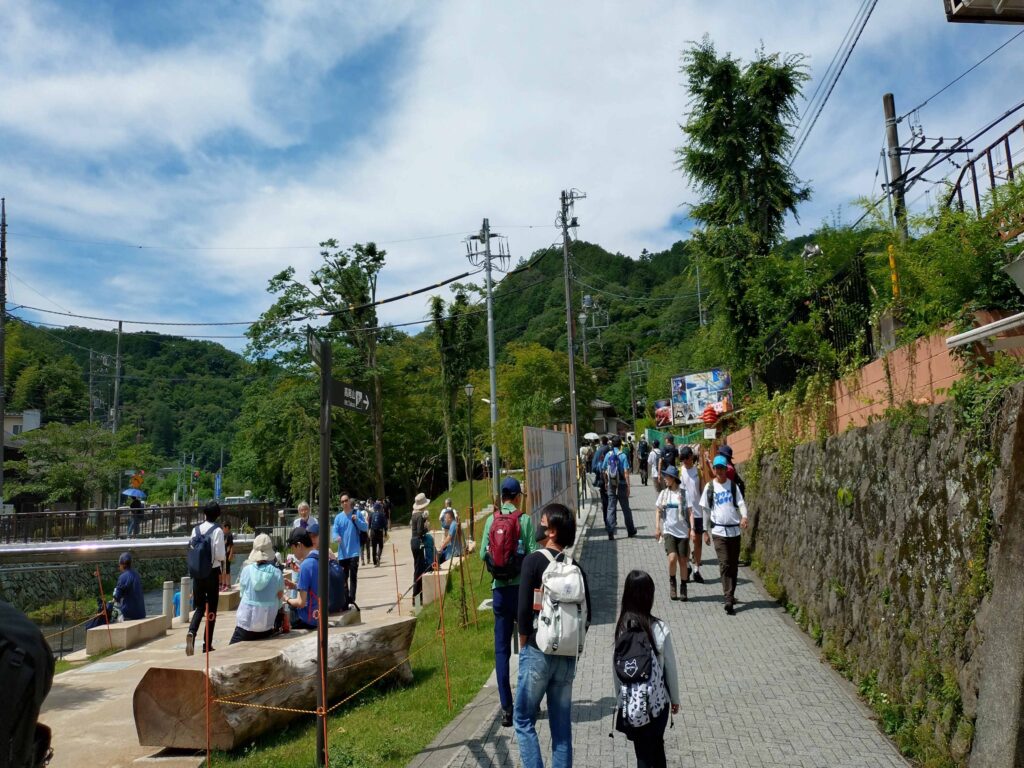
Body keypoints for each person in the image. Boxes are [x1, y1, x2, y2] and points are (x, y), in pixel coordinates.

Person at [514, 503, 591, 768]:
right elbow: (587, 616)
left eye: (544, 521)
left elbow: (523, 612)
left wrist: (525, 648)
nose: (540, 524)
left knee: (523, 719)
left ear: (553, 532)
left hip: (538, 651)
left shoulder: (533, 561)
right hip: (567, 656)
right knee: (561, 730)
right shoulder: (575, 567)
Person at [480, 476, 537, 728]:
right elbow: (534, 555)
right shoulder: (523, 520)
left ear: (502, 497)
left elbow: (483, 553)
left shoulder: (491, 521)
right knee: (528, 647)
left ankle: (507, 708)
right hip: (521, 592)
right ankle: (527, 704)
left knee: (501, 650)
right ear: (517, 496)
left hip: (499, 593)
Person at [612, 570, 680, 768]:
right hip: (658, 704)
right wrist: (674, 698)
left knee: (642, 753)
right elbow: (671, 669)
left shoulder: (622, 628)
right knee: (657, 745)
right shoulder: (659, 628)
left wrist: (620, 699)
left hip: (633, 705)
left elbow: (616, 671)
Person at [700, 454, 749, 615]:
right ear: (713, 470)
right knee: (725, 563)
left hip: (734, 530)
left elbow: (741, 503)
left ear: (726, 470)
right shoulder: (710, 487)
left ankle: (731, 594)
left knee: (733, 565)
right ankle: (728, 597)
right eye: (717, 468)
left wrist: (744, 517)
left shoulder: (733, 486)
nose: (719, 471)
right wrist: (705, 531)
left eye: (722, 468)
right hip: (718, 531)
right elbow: (705, 510)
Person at [186, 501, 226, 656]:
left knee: (200, 607)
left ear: (204, 514)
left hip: (197, 574)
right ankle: (207, 644)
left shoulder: (195, 530)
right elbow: (220, 555)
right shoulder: (217, 531)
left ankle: (192, 631)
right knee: (212, 609)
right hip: (212, 572)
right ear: (217, 515)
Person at [230, 533, 284, 644]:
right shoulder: (278, 573)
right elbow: (279, 602)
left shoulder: (246, 570)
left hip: (246, 624)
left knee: (229, 651)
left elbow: (242, 594)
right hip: (267, 626)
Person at [653, 465, 690, 601]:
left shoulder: (683, 494)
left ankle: (684, 587)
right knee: (672, 558)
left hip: (683, 532)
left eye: (667, 476)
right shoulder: (663, 494)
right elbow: (658, 510)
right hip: (669, 531)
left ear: (673, 478)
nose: (664, 479)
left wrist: (691, 530)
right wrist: (658, 528)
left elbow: (690, 512)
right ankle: (672, 583)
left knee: (683, 561)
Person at [332, 493, 368, 607]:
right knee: (343, 577)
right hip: (342, 553)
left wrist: (357, 520)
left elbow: (365, 527)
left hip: (354, 552)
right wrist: (336, 537)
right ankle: (346, 598)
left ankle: (352, 599)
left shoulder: (356, 513)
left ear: (349, 501)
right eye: (342, 501)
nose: (344, 503)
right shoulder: (338, 518)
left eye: (346, 500)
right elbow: (334, 532)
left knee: (353, 576)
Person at [284, 529, 320, 630]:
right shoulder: (319, 557)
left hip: (307, 619)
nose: (293, 553)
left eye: (292, 548)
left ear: (299, 545)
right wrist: (295, 586)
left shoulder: (305, 565)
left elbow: (301, 603)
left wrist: (285, 598)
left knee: (286, 608)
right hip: (319, 615)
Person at [602, 436, 637, 540]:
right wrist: (628, 486)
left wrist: (606, 482)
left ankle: (610, 531)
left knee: (611, 508)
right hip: (621, 484)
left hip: (611, 485)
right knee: (626, 508)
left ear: (612, 444)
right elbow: (626, 472)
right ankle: (630, 531)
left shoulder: (608, 455)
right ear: (620, 444)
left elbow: (603, 469)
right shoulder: (623, 455)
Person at [679, 446, 705, 583]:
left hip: (698, 511)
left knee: (697, 542)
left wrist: (706, 510)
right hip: (684, 512)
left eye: (686, 460)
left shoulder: (698, 471)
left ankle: (696, 569)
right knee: (686, 540)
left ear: (691, 457)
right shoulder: (679, 471)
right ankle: (688, 565)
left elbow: (702, 490)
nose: (685, 462)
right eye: (682, 460)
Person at [409, 493, 431, 607]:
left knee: (418, 568)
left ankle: (417, 598)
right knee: (419, 570)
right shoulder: (420, 516)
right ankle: (416, 599)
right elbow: (419, 531)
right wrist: (426, 528)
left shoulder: (414, 515)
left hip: (414, 542)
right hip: (418, 543)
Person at [113, 552, 146, 620]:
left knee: (113, 613)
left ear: (122, 564)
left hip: (129, 614)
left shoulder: (122, 577)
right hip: (141, 613)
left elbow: (117, 597)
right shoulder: (136, 575)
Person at [592, 436, 611, 518]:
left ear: (601, 442)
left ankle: (607, 521)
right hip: (613, 478)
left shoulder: (599, 451)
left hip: (602, 479)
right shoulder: (611, 450)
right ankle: (612, 519)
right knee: (611, 499)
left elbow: (593, 467)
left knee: (605, 499)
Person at [368, 501, 388, 566]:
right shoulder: (382, 514)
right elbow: (385, 525)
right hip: (379, 531)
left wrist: (368, 531)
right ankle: (378, 556)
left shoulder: (371, 514)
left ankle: (374, 562)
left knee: (374, 547)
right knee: (381, 546)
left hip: (373, 532)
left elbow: (369, 524)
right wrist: (385, 532)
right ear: (379, 508)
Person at [220, 522, 235, 591]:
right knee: (223, 570)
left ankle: (228, 585)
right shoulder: (224, 535)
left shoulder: (229, 535)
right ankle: (224, 584)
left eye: (223, 527)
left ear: (227, 528)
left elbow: (232, 546)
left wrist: (231, 554)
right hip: (223, 555)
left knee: (227, 570)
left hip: (227, 555)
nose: (222, 529)